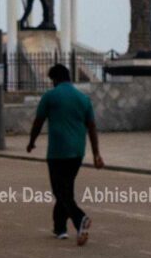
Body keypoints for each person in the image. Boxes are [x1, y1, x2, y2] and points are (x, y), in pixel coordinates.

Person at [27, 64, 104, 245]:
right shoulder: (83, 99)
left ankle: (80, 219)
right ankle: (59, 228)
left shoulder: (50, 97)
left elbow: (38, 122)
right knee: (65, 190)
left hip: (57, 152)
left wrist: (31, 141)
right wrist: (96, 154)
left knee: (60, 191)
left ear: (55, 79)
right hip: (77, 152)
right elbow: (92, 127)